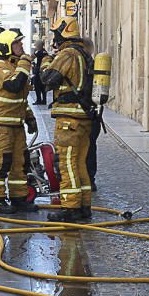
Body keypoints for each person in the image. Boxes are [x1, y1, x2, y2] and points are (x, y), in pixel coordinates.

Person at [40, 16, 96, 223]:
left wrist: (45, 61)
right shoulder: (84, 54)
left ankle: (71, 207)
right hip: (83, 118)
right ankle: (84, 205)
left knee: (67, 163)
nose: (54, 39)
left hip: (68, 119)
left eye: (56, 34)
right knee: (80, 163)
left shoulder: (68, 54)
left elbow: (48, 79)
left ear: (62, 33)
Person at [0, 29, 39, 214]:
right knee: (1, 164)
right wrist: (25, 62)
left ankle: (19, 198)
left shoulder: (14, 67)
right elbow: (14, 86)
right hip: (1, 126)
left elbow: (20, 99)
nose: (21, 47)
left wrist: (30, 117)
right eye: (17, 44)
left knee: (20, 163)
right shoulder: (0, 68)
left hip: (16, 126)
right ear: (7, 47)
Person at [81, 37, 103, 192]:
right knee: (91, 147)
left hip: (85, 113)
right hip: (96, 113)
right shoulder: (96, 65)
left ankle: (85, 178)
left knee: (84, 148)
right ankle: (90, 178)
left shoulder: (82, 65)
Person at [32, 40, 51, 105]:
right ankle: (44, 100)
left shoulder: (39, 52)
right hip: (43, 71)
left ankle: (39, 100)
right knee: (43, 86)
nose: (35, 46)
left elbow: (32, 57)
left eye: (36, 45)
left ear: (39, 45)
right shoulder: (45, 52)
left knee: (37, 86)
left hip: (39, 71)